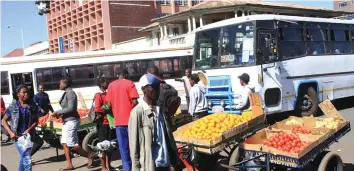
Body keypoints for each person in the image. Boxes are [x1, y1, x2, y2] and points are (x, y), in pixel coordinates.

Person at [129, 74, 179, 171]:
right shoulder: (138, 112)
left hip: (165, 164)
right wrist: (136, 168)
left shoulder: (160, 110)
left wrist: (172, 161)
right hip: (151, 166)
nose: (157, 90)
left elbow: (167, 138)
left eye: (158, 86)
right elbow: (133, 145)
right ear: (144, 90)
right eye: (153, 87)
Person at [51, 78, 93, 171]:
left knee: (71, 144)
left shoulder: (71, 93)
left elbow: (71, 108)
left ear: (65, 84)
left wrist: (58, 112)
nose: (59, 85)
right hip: (66, 120)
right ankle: (69, 164)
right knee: (64, 143)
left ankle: (89, 155)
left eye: (60, 84)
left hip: (72, 121)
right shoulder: (66, 93)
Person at [107, 68, 139, 171]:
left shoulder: (111, 85)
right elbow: (134, 102)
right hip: (131, 121)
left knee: (123, 149)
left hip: (119, 122)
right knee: (135, 147)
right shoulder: (130, 83)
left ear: (117, 75)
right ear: (127, 75)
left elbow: (108, 105)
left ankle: (127, 169)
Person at [2, 84, 40, 171]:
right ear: (18, 94)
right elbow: (3, 120)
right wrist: (11, 133)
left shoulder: (32, 106)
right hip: (18, 137)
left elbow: (36, 121)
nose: (26, 94)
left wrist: (29, 129)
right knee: (27, 159)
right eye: (24, 92)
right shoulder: (13, 107)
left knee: (24, 158)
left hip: (28, 137)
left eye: (27, 92)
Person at [94, 77, 114, 171]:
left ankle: (108, 165)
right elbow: (97, 108)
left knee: (109, 145)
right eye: (106, 82)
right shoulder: (99, 95)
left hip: (110, 123)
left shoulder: (109, 93)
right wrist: (108, 108)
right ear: (102, 84)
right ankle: (103, 167)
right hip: (103, 123)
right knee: (102, 146)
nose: (108, 84)